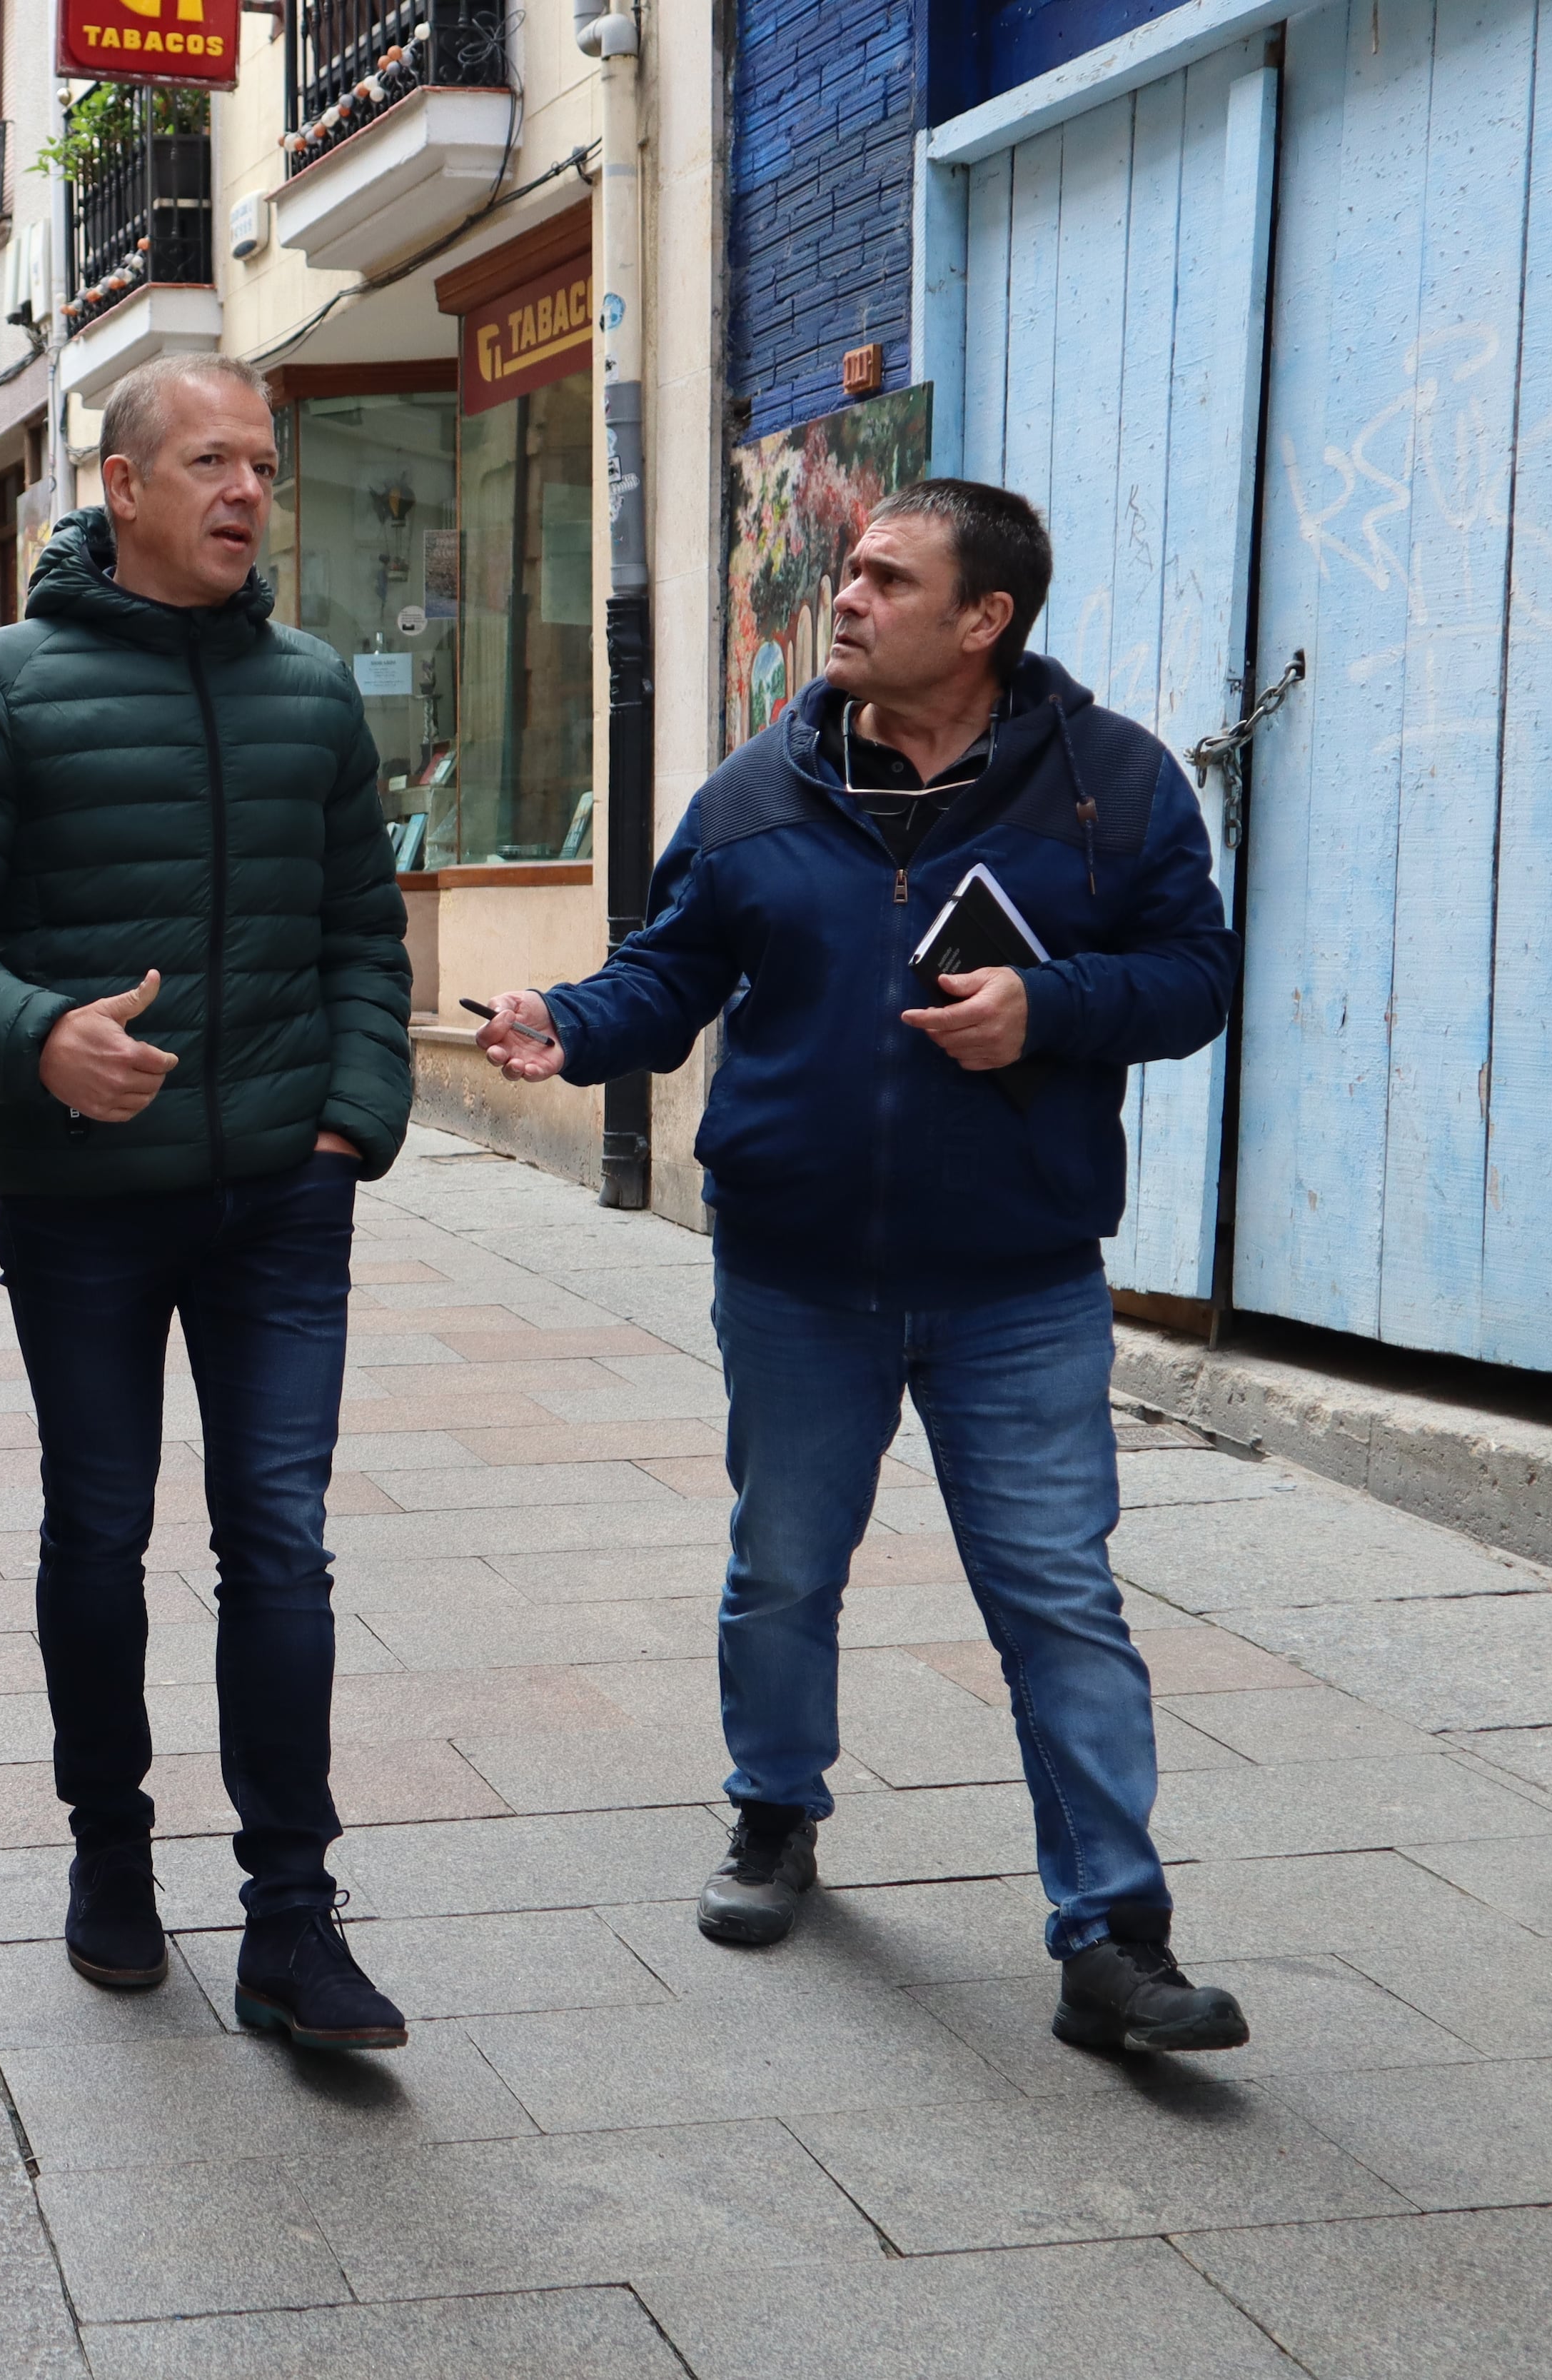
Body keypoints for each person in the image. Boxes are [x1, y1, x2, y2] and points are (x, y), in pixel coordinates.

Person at [474, 478, 1250, 2055]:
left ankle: (1113, 1933)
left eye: (887, 578)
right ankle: (773, 1812)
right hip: (796, 1271)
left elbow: (1193, 976)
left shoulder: (1107, 786)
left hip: (1017, 1277)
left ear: (985, 620)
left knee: (1057, 1597)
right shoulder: (760, 788)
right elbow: (671, 969)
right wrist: (571, 1020)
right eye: (844, 568)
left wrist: (1052, 1010)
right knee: (783, 1567)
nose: (844, 595)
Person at [0, 353, 415, 2051]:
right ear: (120, 489)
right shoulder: (5, 690)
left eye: (261, 464)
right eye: (208, 463)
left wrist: (350, 1124)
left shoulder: (317, 692)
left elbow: (360, 941)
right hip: (82, 1203)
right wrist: (38, 1041)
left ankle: (291, 1918)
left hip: (281, 1202)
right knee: (97, 1536)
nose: (247, 491)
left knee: (279, 1544)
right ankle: (111, 1851)